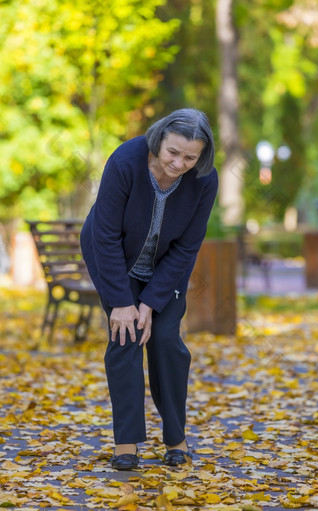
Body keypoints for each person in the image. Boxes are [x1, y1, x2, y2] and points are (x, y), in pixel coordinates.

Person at [80, 108, 218, 470]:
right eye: (173, 152)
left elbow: (188, 246)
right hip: (113, 257)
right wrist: (122, 303)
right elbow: (105, 235)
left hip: (166, 268)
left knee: (166, 340)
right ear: (158, 142)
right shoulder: (125, 161)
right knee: (125, 335)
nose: (179, 163)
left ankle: (176, 438)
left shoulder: (204, 179)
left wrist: (152, 302)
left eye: (191, 156)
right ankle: (127, 444)